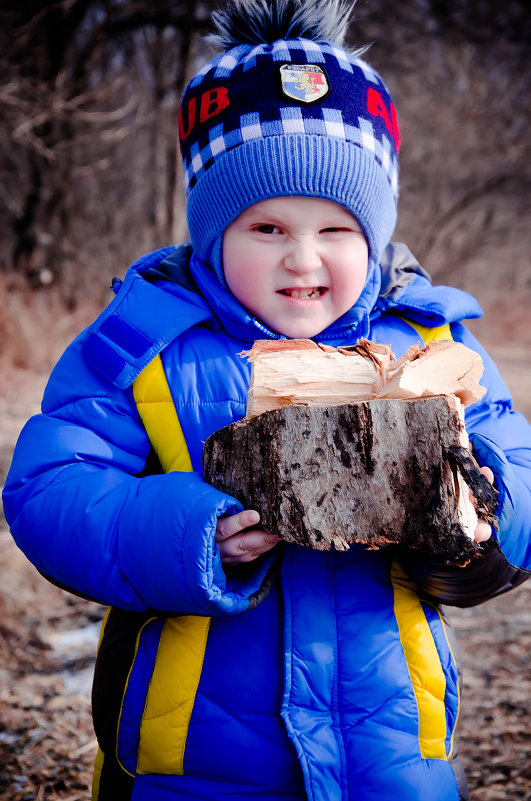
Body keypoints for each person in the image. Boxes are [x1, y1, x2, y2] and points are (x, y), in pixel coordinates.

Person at [3, 1, 531, 799]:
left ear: (376, 233)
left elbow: (518, 470)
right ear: (214, 234)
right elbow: (51, 491)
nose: (304, 259)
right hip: (197, 760)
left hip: (388, 753)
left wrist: (476, 511)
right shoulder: (147, 346)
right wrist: (189, 536)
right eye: (268, 228)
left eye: (336, 229)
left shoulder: (430, 346)